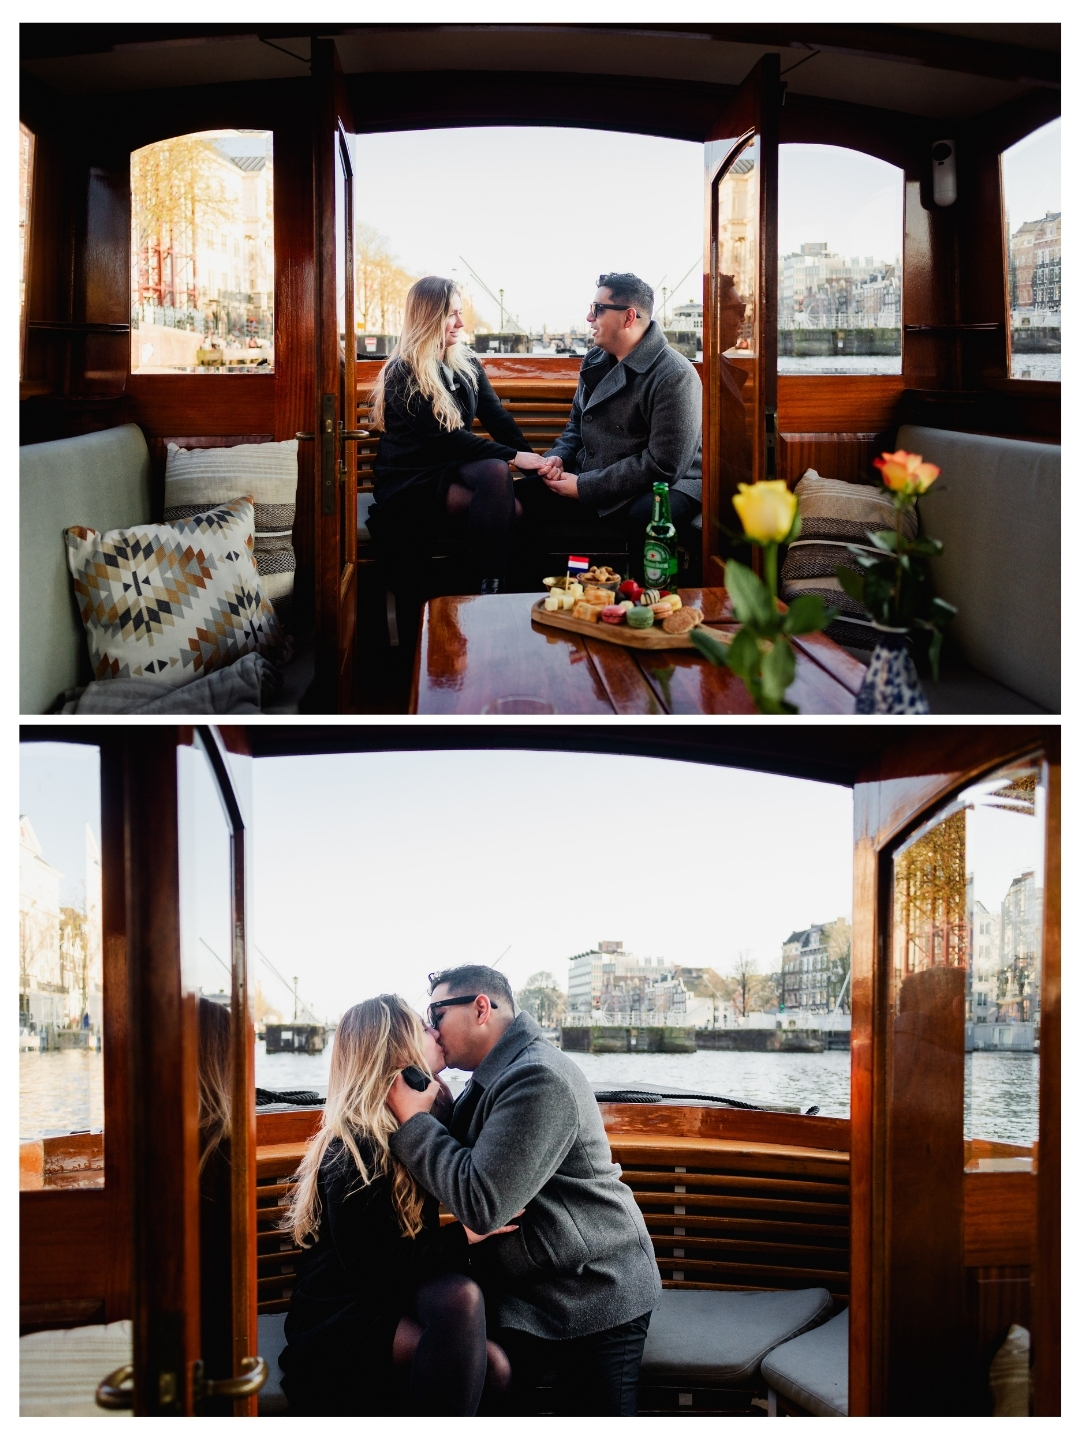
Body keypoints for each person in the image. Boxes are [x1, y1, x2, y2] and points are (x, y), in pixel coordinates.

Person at [387, 965, 661, 1417]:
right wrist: (433, 1106)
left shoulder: (538, 1078)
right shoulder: (493, 1075)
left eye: (436, 1013)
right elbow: (465, 1161)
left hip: (594, 1292)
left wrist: (414, 1124)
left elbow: (482, 1204)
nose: (431, 1028)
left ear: (480, 1008)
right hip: (533, 1291)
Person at [278, 995, 514, 1416]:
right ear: (397, 1050)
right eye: (424, 1029)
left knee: (490, 1354)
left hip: (390, 1299)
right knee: (471, 1322)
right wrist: (466, 1234)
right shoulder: (355, 1148)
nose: (436, 1031)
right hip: (341, 1319)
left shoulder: (417, 1123)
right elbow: (377, 1267)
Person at [368, 276, 544, 598]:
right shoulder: (402, 371)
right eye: (451, 314)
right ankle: (487, 587)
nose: (461, 323)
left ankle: (489, 587)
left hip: (451, 465)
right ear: (428, 317)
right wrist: (516, 457)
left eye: (460, 312)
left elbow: (497, 418)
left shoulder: (465, 362)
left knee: (495, 471)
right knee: (510, 506)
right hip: (411, 476)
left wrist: (539, 466)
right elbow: (445, 439)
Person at [519, 272, 702, 577]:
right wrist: (558, 458)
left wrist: (586, 487)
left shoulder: (674, 375)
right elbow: (576, 426)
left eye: (598, 309)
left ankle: (643, 604)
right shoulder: (595, 361)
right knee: (520, 496)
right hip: (597, 473)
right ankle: (526, 592)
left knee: (647, 512)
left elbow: (665, 465)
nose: (589, 317)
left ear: (629, 317)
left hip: (673, 483)